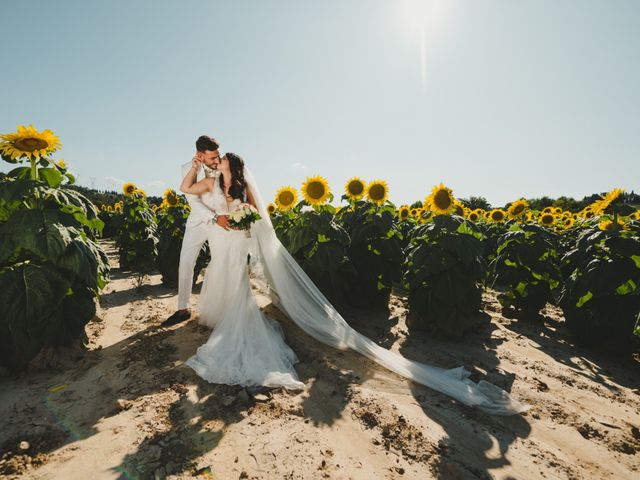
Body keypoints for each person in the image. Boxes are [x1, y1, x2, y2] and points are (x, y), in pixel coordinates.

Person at [179, 153, 529, 415]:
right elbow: (190, 190)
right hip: (226, 241)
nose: (219, 161)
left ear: (233, 166)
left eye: (222, 159)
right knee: (224, 279)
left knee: (239, 286)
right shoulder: (218, 184)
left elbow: (256, 216)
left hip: (238, 241)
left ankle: (236, 326)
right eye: (217, 159)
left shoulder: (241, 187)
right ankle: (223, 317)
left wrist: (242, 222)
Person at [162, 135, 230, 327]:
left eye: (218, 156)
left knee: (220, 263)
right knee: (185, 260)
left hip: (221, 222)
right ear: (199, 155)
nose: (216, 161)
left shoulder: (223, 165)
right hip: (199, 221)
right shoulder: (186, 168)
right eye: (211, 158)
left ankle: (222, 308)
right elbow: (193, 201)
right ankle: (183, 308)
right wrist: (214, 218)